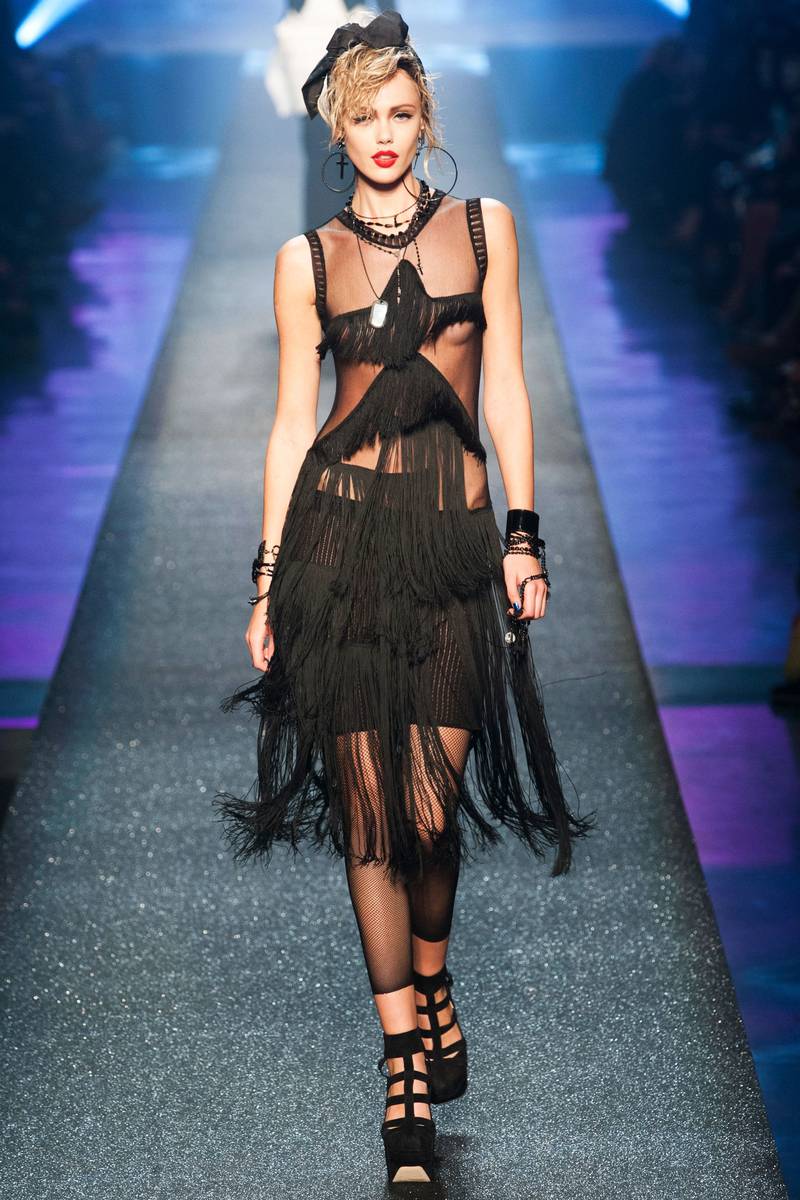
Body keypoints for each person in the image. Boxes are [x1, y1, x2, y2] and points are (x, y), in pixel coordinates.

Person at [213, 9, 595, 1185]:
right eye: (361, 117)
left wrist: (522, 538)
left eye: (399, 113)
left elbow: (507, 387)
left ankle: (432, 976)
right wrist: (268, 574)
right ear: (335, 129)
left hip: (449, 547)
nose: (382, 133)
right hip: (335, 545)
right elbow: (292, 423)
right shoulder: (304, 260)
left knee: (430, 809)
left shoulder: (484, 230)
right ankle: (401, 1070)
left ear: (426, 118)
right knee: (372, 815)